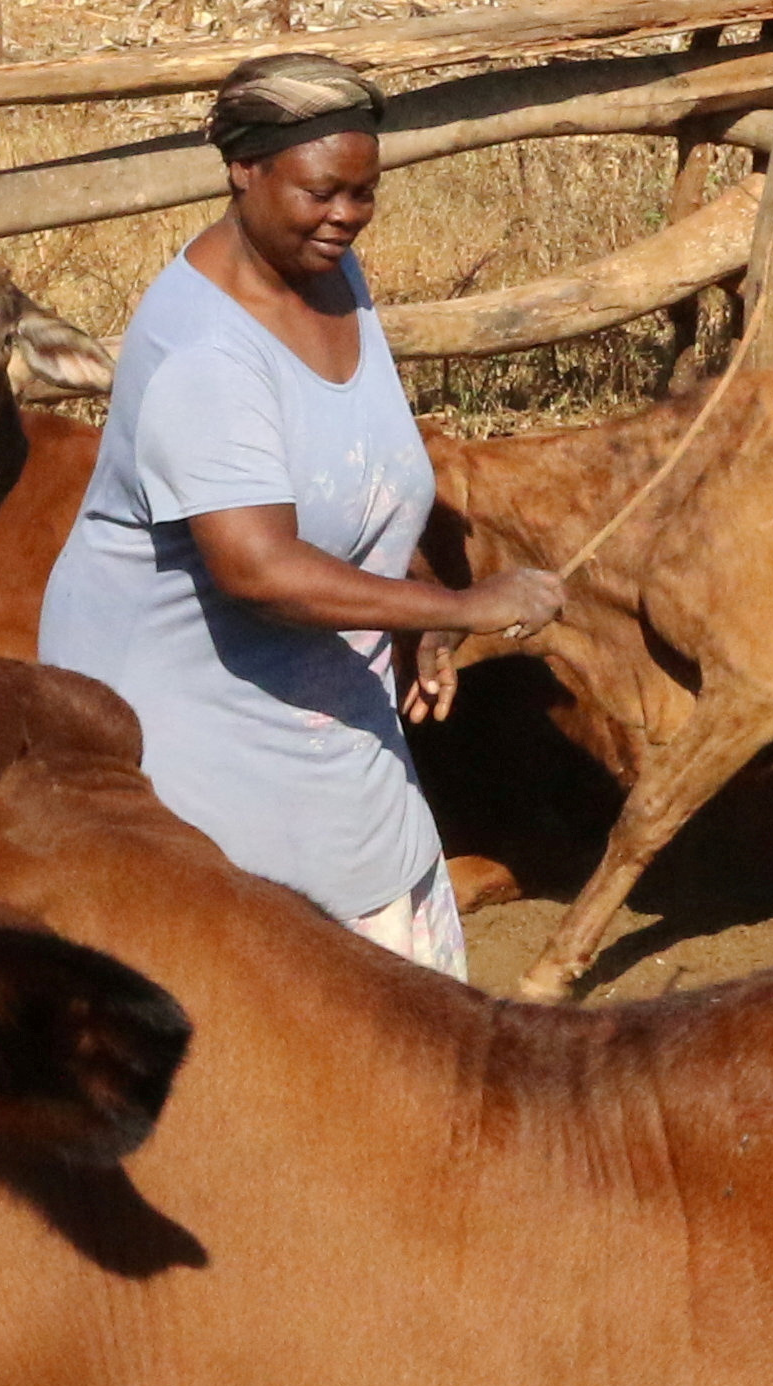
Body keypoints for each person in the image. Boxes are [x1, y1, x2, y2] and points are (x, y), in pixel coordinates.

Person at [38, 57, 556, 974]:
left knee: (377, 907)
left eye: (365, 193)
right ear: (245, 170)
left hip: (310, 688)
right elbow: (258, 568)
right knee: (259, 979)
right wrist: (465, 608)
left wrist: (415, 594)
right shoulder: (204, 351)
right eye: (324, 192)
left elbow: (355, 474)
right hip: (184, 711)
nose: (347, 216)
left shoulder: (329, 274)